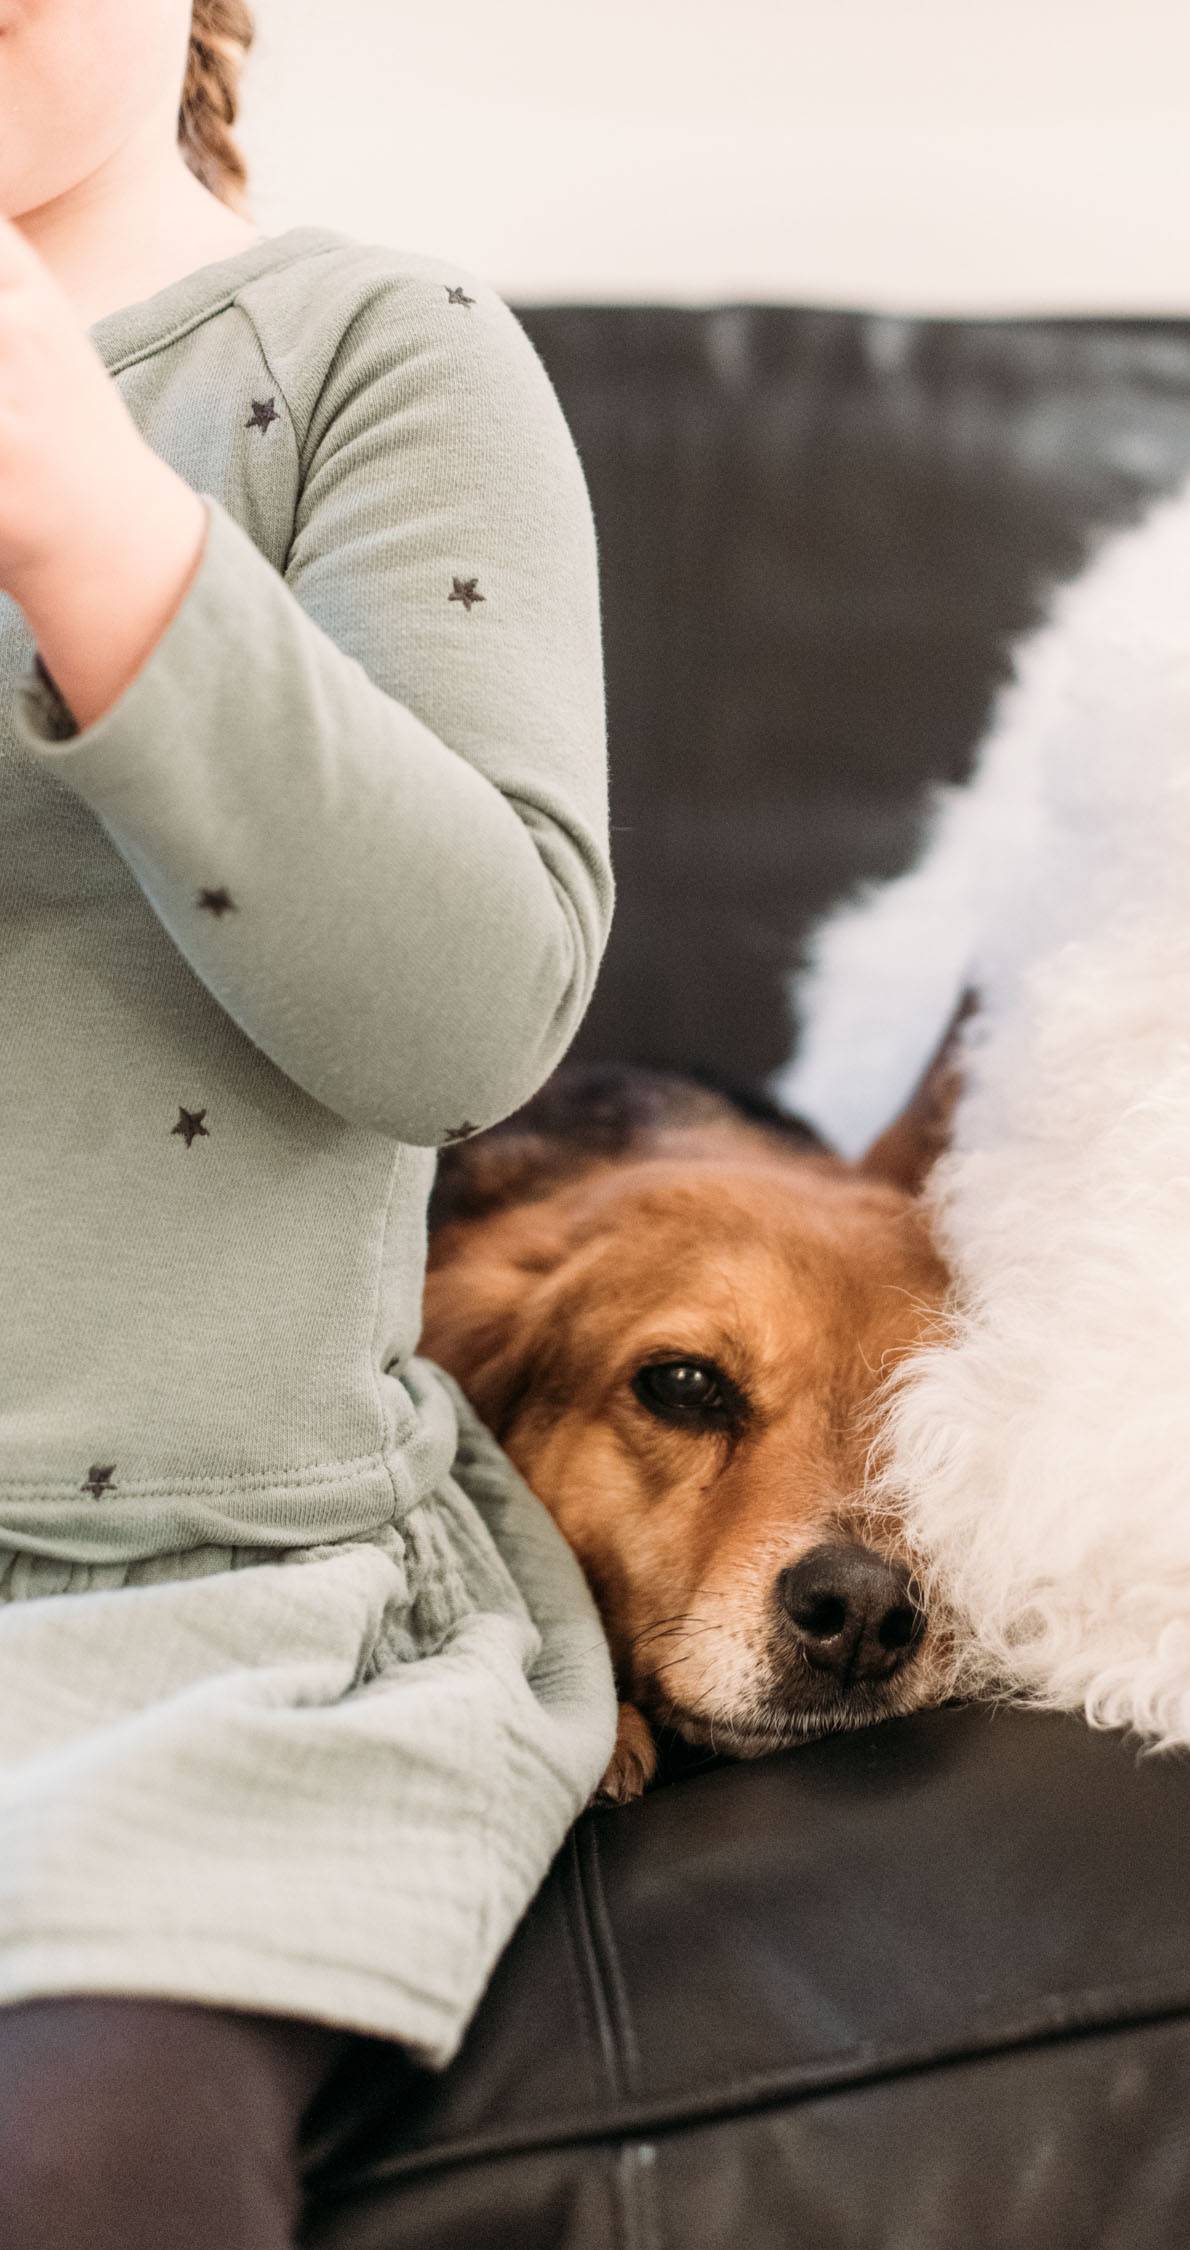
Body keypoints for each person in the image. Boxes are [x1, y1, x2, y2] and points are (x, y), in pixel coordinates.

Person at [0, 3, 619, 2243]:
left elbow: (470, 1021)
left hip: (203, 1605)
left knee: (83, 2160)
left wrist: (84, 503)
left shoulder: (375, 353)